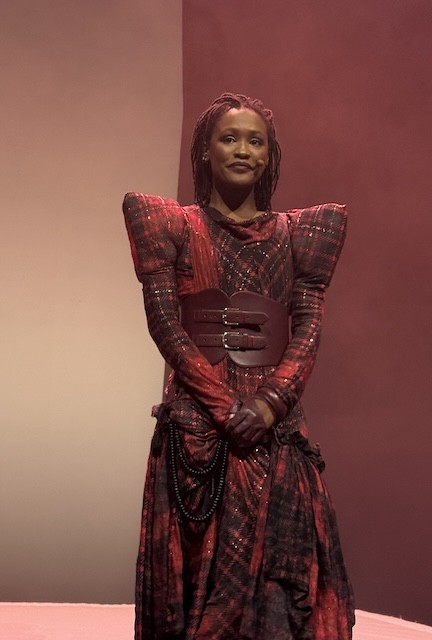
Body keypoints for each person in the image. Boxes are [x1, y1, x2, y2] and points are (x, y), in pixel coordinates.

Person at [122, 93, 354, 640]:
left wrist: (270, 404)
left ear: (270, 155)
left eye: (256, 141)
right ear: (205, 150)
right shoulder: (172, 226)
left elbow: (308, 327)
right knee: (195, 582)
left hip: (273, 429)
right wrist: (226, 408)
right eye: (229, 138)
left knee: (282, 584)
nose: (243, 150)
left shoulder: (301, 234)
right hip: (198, 424)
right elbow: (166, 325)